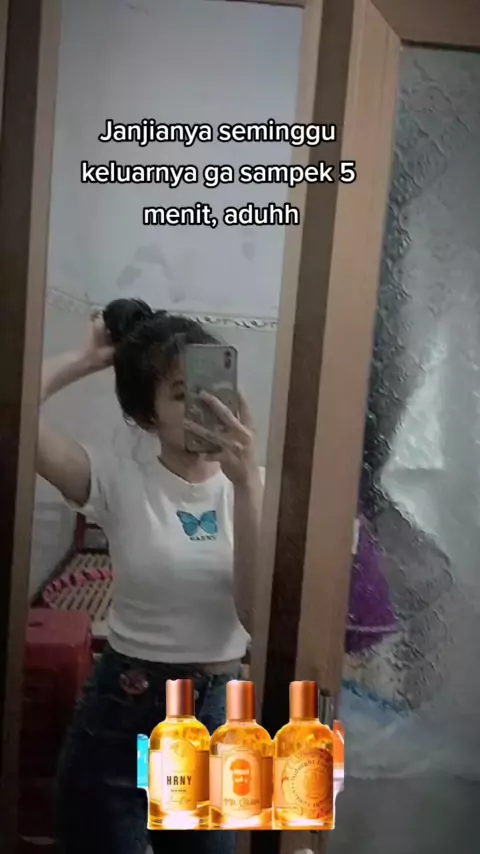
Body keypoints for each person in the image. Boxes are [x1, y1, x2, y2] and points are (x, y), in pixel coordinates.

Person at [37, 298, 264, 854]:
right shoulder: (116, 477)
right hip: (124, 706)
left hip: (214, 712)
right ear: (147, 415)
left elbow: (255, 616)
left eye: (209, 389)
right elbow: (12, 412)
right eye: (181, 394)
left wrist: (246, 486)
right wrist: (87, 360)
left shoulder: (253, 486)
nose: (202, 407)